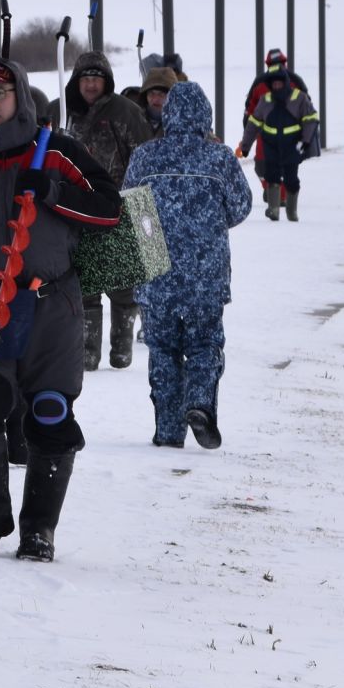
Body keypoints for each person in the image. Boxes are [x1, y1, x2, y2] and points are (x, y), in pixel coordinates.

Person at [0, 46, 121, 562]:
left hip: (52, 302)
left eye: (0, 92)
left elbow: (111, 210)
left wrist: (54, 193)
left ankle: (39, 529)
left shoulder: (56, 150)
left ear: (19, 94)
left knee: (50, 415)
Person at [123, 82, 252, 448]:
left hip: (155, 269)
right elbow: (241, 206)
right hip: (205, 272)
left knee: (162, 349)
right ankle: (199, 402)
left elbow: (129, 205)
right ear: (205, 116)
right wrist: (208, 225)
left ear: (168, 114)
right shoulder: (220, 158)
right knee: (204, 343)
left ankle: (167, 431)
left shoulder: (145, 157)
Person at [64, 49, 154, 371]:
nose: (90, 85)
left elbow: (144, 157)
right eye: (85, 79)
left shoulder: (125, 112)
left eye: (96, 79)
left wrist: (139, 202)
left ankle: (121, 346)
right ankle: (88, 350)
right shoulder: (66, 113)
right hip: (77, 207)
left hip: (119, 205)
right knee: (86, 283)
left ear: (107, 82)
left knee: (121, 284)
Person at [244, 64, 320, 221]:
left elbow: (311, 119)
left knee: (291, 179)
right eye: (274, 83)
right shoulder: (265, 101)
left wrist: (306, 141)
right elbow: (253, 124)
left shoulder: (299, 98)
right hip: (270, 145)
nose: (277, 86)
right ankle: (273, 210)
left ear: (285, 83)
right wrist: (245, 146)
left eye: (279, 83)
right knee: (271, 176)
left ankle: (292, 213)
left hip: (292, 146)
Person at [138, 65, 180, 134]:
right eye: (151, 94)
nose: (155, 100)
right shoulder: (134, 119)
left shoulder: (184, 124)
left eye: (161, 95)